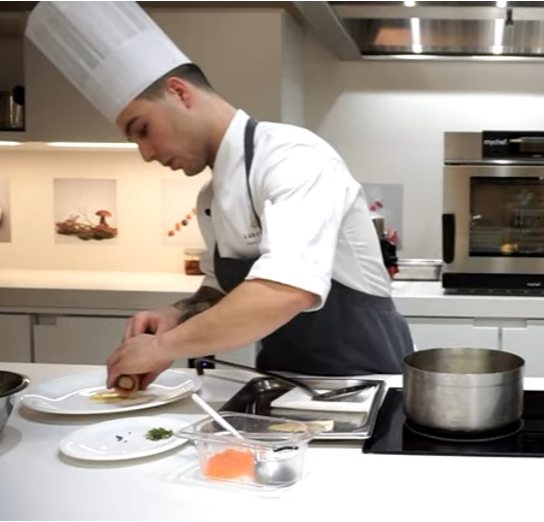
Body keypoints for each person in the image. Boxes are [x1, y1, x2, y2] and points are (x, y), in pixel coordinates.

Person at [25, 1, 414, 389]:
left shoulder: (293, 156)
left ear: (179, 93)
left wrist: (162, 348)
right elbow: (220, 288)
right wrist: (176, 314)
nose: (146, 154)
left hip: (364, 383)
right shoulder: (210, 197)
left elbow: (288, 290)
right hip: (282, 385)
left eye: (142, 129)